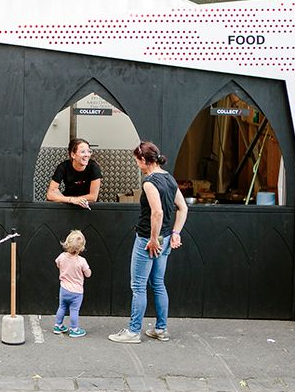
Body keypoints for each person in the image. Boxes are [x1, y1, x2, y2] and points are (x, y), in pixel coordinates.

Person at [109, 141, 188, 344]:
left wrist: (153, 239)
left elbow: (157, 212)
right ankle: (161, 329)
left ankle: (133, 331)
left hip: (147, 239)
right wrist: (176, 233)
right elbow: (183, 207)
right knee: (158, 283)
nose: (137, 164)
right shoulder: (169, 178)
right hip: (166, 238)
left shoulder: (150, 182)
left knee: (138, 286)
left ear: (144, 160)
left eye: (137, 160)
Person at [54, 229, 92, 338]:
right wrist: (87, 270)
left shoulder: (62, 256)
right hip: (77, 292)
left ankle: (58, 326)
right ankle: (74, 329)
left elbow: (57, 263)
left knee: (61, 307)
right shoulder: (82, 261)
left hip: (64, 289)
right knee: (74, 310)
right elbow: (88, 274)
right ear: (81, 247)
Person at [45, 138, 101, 209]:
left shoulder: (94, 167)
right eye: (83, 152)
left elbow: (93, 197)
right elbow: (50, 195)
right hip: (68, 206)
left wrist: (74, 200)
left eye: (89, 151)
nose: (87, 155)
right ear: (73, 155)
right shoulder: (63, 167)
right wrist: (71, 200)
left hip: (88, 206)